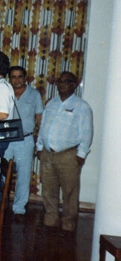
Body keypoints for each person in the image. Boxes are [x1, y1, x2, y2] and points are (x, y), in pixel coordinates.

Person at [36, 71, 93, 233]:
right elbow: (43, 128)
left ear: (74, 85)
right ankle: (50, 219)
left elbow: (86, 132)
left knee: (70, 191)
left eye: (66, 81)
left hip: (68, 156)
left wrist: (81, 154)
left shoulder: (82, 107)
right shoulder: (51, 104)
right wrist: (40, 147)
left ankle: (68, 224)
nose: (61, 84)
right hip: (48, 154)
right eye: (59, 82)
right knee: (48, 189)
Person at [5, 66, 43, 221]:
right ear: (9, 78)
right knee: (1, 172)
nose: (16, 80)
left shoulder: (34, 95)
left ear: (25, 77)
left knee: (24, 175)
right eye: (13, 77)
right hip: (6, 139)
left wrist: (39, 142)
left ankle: (19, 208)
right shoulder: (5, 93)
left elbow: (40, 119)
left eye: (20, 76)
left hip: (25, 139)